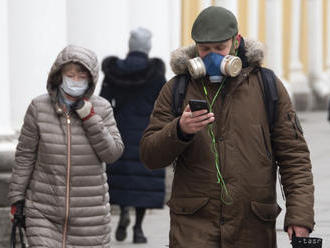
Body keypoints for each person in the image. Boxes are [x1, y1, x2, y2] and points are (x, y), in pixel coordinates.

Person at [140, 6, 315, 248]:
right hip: (193, 231)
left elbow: (294, 158)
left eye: (220, 48)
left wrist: (300, 216)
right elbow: (149, 156)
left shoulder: (268, 86)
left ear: (236, 42)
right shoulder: (176, 89)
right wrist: (179, 130)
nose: (212, 57)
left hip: (252, 229)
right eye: (205, 49)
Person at [8, 45, 124, 247]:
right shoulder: (39, 107)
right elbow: (25, 156)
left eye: (81, 76)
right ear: (58, 76)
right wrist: (17, 198)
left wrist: (89, 117)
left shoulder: (102, 108)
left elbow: (112, 153)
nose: (75, 81)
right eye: (70, 75)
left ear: (90, 79)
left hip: (89, 218)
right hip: (43, 212)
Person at [100, 27, 166, 244]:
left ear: (130, 46)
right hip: (147, 131)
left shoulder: (113, 72)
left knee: (122, 178)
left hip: (120, 131)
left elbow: (103, 101)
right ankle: (138, 228)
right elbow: (164, 103)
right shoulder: (155, 74)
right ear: (148, 47)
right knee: (143, 181)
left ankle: (123, 212)